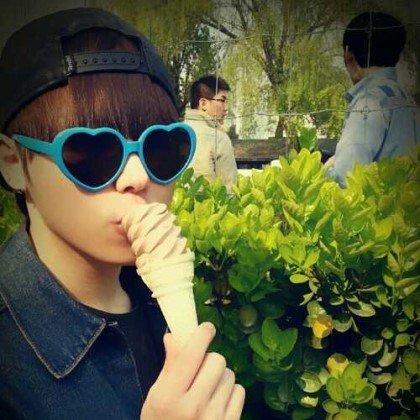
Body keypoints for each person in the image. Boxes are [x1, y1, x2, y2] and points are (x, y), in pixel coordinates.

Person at [0, 8, 245, 419]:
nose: (137, 176)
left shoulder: (156, 294)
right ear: (12, 163)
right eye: (93, 151)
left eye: (161, 147)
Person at [325, 12, 419, 186]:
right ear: (397, 55)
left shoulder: (369, 101)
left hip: (377, 203)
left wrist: (327, 169)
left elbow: (346, 177)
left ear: (348, 55)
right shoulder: (407, 99)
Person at [184, 75, 238, 189]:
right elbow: (229, 190)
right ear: (203, 104)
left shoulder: (175, 133)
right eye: (222, 100)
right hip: (208, 200)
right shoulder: (219, 139)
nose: (226, 108)